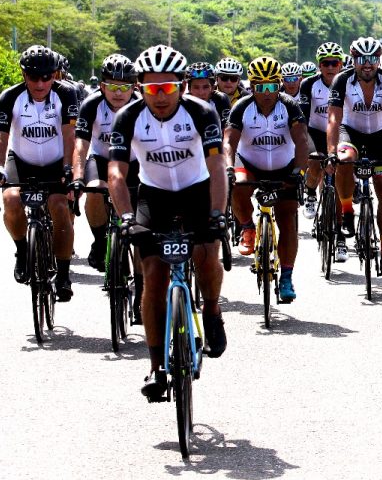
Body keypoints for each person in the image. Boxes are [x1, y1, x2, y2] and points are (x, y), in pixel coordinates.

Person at [107, 44, 227, 399]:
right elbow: (116, 171)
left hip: (197, 190)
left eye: (168, 88)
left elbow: (218, 165)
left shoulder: (202, 112)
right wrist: (126, 216)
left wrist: (218, 214)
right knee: (153, 275)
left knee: (206, 255)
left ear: (182, 85)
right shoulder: (127, 118)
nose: (160, 97)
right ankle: (156, 366)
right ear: (140, 88)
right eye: (151, 89)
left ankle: (213, 310)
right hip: (153, 196)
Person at [0, 45, 79, 301]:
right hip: (22, 160)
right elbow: (0, 137)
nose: (40, 83)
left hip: (56, 162)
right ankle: (22, 249)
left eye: (46, 77)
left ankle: (63, 274)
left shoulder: (67, 94)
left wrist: (69, 168)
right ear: (23, 75)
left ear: (55, 75)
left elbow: (70, 135)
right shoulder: (10, 97)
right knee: (11, 200)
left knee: (60, 206)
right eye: (33, 77)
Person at [224, 57, 309, 301]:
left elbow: (301, 140)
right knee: (238, 184)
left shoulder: (289, 106)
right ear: (251, 86)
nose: (267, 93)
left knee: (287, 219)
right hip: (250, 165)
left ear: (279, 85)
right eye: (260, 87)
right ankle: (248, 228)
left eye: (272, 86)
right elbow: (229, 141)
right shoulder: (242, 107)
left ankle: (287, 276)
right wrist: (228, 167)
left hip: (284, 168)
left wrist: (299, 172)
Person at [72, 55, 143, 319]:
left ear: (134, 87)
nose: (118, 92)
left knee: (139, 229)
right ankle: (101, 242)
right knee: (93, 190)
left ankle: (142, 288)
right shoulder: (91, 105)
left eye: (124, 87)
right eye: (112, 86)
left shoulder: (141, 106)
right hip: (101, 160)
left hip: (134, 165)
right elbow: (80, 145)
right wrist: (77, 176)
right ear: (102, 86)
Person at [326, 36, 382, 276]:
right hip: (351, 132)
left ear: (378, 60)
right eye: (361, 59)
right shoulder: (342, 80)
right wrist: (330, 153)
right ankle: (347, 211)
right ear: (354, 60)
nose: (367, 64)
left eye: (372, 59)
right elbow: (334, 119)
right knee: (344, 159)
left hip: (381, 134)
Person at [298, 42, 344, 238]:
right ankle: (310, 193)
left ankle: (340, 235)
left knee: (341, 177)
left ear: (341, 64)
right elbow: (303, 117)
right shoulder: (309, 84)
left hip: (340, 132)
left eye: (334, 63)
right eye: (326, 63)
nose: (331, 68)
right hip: (315, 130)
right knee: (316, 160)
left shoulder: (347, 82)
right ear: (320, 65)